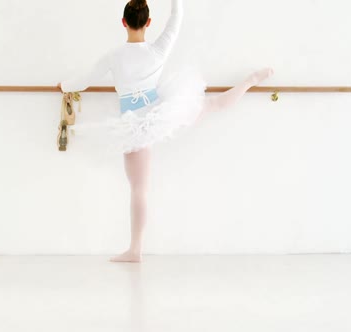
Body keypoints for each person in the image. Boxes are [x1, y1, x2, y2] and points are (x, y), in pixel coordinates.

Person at [58, 0, 274, 263]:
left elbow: (85, 80)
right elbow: (177, 16)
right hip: (161, 112)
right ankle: (251, 80)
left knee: (138, 189)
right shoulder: (158, 49)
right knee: (213, 104)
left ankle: (135, 250)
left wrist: (64, 86)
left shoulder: (113, 56)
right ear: (148, 23)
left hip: (134, 126)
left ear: (123, 22)